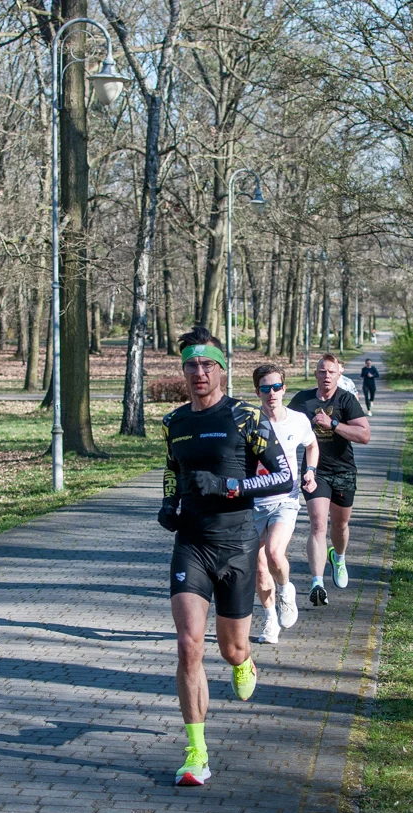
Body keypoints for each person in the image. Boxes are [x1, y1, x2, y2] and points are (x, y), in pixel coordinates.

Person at [159, 327, 294, 787]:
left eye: (206, 365)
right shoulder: (174, 423)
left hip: (236, 547)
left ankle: (244, 661)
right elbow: (172, 470)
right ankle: (196, 752)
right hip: (192, 544)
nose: (199, 373)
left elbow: (283, 477)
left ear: (221, 368)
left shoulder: (243, 417)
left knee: (231, 648)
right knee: (188, 645)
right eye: (191, 366)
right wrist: (168, 504)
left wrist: (230, 486)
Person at [288, 353, 371, 606]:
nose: (326, 376)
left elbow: (364, 435)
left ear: (339, 375)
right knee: (317, 525)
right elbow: (281, 423)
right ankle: (317, 583)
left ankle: (340, 557)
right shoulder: (303, 399)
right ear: (316, 374)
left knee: (340, 526)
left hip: (344, 470)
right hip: (315, 470)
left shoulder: (346, 400)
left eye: (331, 372)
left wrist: (332, 423)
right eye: (322, 372)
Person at [252, 364, 319, 645]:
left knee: (275, 554)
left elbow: (312, 445)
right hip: (253, 502)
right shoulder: (249, 422)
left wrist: (310, 471)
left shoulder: (298, 420)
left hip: (285, 499)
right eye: (265, 388)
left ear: (284, 389)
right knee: (258, 565)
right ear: (258, 392)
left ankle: (285, 591)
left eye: (276, 387)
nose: (271, 393)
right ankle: (270, 621)